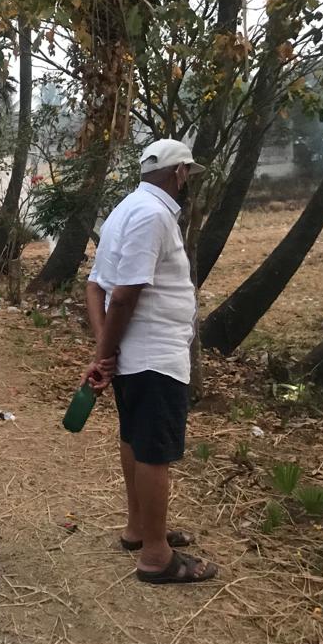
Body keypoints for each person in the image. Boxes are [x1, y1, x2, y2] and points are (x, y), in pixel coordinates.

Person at [83, 138, 218, 585]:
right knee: (154, 452)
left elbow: (95, 286)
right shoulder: (153, 215)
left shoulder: (124, 210)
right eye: (187, 176)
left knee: (135, 441)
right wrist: (104, 354)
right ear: (179, 173)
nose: (187, 183)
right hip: (154, 356)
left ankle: (140, 529)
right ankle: (157, 557)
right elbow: (122, 296)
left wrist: (105, 351)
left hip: (134, 357)